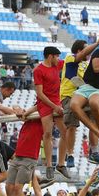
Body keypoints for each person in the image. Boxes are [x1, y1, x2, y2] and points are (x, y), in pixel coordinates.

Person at [60, 37, 99, 169]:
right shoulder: (70, 58)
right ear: (79, 50)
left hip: (85, 94)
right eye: (86, 49)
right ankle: (70, 154)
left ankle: (94, 151)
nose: (89, 52)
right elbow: (82, 55)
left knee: (94, 120)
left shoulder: (88, 64)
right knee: (72, 125)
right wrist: (96, 44)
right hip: (69, 95)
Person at [34, 46, 68, 181]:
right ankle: (49, 165)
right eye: (57, 56)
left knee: (65, 132)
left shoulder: (57, 65)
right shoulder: (38, 70)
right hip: (45, 104)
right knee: (47, 133)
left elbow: (73, 60)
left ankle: (61, 163)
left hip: (56, 101)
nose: (59, 59)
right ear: (51, 56)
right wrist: (54, 106)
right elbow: (40, 94)